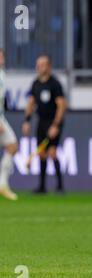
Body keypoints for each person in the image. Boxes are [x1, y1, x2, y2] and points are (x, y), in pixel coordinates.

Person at [22, 55, 67, 194]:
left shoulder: (55, 84)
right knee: (41, 153)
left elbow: (61, 105)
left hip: (53, 122)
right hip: (41, 121)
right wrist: (27, 121)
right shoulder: (35, 83)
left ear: (49, 67)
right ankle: (42, 187)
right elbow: (31, 103)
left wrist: (56, 125)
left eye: (42, 64)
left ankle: (60, 186)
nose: (39, 67)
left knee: (52, 152)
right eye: (38, 64)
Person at [0, 49, 18, 201]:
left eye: (2, 55)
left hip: (1, 117)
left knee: (12, 145)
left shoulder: (1, 74)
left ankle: (2, 184)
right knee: (12, 145)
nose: (1, 58)